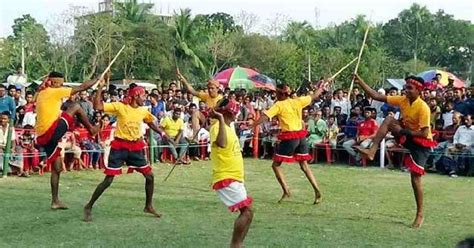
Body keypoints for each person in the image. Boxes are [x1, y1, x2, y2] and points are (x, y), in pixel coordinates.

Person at [353, 74, 437, 228]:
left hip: (421, 143)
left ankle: (419, 214)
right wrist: (361, 81)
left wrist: (402, 132)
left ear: (418, 91)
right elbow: (376, 95)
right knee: (389, 119)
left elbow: (425, 133)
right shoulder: (402, 99)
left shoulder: (423, 107)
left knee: (415, 179)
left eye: (409, 88)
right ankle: (372, 150)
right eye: (405, 87)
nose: (406, 90)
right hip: (407, 134)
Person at [83, 81, 166, 222]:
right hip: (119, 147)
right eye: (143, 96)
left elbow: (150, 122)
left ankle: (148, 206)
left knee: (150, 176)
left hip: (135, 147)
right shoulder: (120, 106)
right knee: (108, 180)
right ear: (135, 96)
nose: (145, 99)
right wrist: (100, 88)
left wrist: (163, 134)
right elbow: (98, 106)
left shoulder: (143, 110)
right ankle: (89, 206)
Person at [252, 83, 327, 204]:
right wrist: (321, 87)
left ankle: (286, 190)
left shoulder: (279, 105)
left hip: (290, 137)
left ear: (279, 93)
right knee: (304, 165)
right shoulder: (297, 101)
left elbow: (265, 116)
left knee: (276, 165)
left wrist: (252, 125)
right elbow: (313, 96)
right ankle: (316, 190)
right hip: (301, 136)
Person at [35, 71, 100, 210]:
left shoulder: (42, 92)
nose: (62, 85)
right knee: (76, 106)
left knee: (57, 168)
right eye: (60, 83)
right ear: (53, 82)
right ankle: (91, 129)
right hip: (50, 132)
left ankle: (55, 201)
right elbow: (82, 87)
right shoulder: (54, 91)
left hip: (42, 136)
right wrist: (97, 79)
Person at [209, 99, 253, 248]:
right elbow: (221, 143)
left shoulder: (229, 126)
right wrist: (220, 118)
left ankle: (238, 243)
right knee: (246, 212)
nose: (238, 113)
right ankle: (235, 245)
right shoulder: (218, 127)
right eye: (235, 110)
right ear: (229, 113)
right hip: (226, 177)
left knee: (249, 213)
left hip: (235, 177)